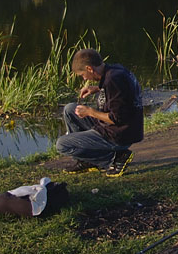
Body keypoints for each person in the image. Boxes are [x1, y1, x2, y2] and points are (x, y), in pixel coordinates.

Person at [56, 48, 143, 177]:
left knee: (62, 144)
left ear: (90, 69)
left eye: (83, 75)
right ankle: (86, 161)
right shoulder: (115, 71)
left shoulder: (112, 80)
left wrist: (90, 112)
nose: (85, 78)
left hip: (119, 135)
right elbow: (123, 92)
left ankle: (113, 158)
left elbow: (116, 119)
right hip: (117, 128)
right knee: (70, 109)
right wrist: (97, 88)